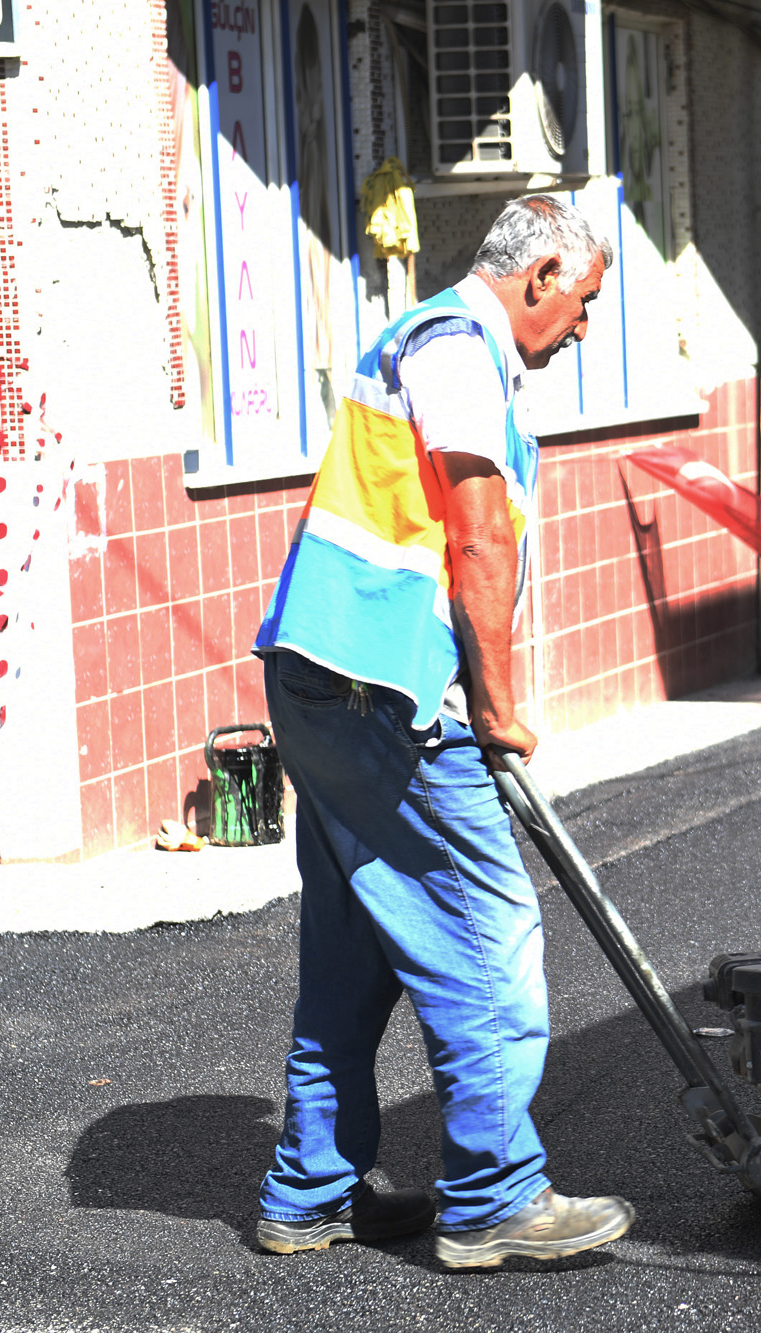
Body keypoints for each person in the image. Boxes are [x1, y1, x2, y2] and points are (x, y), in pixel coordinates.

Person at [249, 195, 630, 1271]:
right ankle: (495, 1196)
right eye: (583, 302)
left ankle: (309, 1189)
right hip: (386, 691)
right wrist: (498, 709)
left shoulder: (427, 338)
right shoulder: (459, 348)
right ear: (539, 274)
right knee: (484, 935)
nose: (583, 327)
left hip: (319, 677)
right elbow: (476, 538)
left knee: (356, 947)